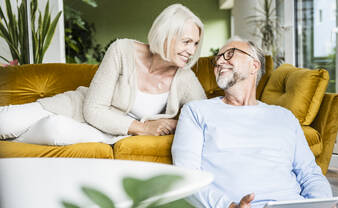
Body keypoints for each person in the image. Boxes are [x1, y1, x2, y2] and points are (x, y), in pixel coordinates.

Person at [171, 36, 338, 208]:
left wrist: (320, 206)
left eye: (229, 54)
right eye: (217, 60)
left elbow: (310, 172)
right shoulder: (197, 111)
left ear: (254, 65)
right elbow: (186, 177)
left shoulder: (284, 116)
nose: (219, 62)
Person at [0, 4, 206, 145]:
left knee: (57, 129)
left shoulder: (184, 77)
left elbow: (207, 117)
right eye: (186, 41)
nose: (192, 50)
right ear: (166, 35)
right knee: (5, 122)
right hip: (74, 109)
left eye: (195, 44)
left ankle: (10, 144)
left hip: (102, 133)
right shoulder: (122, 50)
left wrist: (174, 123)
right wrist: (143, 128)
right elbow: (93, 109)